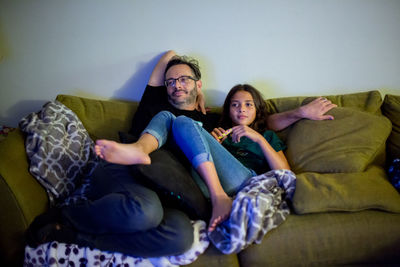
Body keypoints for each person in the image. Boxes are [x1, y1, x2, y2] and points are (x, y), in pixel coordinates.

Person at [26, 50, 337, 256]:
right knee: (156, 217)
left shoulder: (215, 122)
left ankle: (76, 234)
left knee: (177, 236)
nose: (176, 85)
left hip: (176, 184)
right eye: (171, 81)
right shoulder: (155, 101)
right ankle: (132, 154)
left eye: (185, 80)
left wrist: (298, 112)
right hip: (136, 172)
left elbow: (261, 120)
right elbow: (168, 57)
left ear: (197, 84)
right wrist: (191, 90)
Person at [96, 83, 291, 232]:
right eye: (235, 105)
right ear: (228, 109)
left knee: (182, 121)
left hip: (242, 182)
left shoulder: (266, 136)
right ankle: (139, 148)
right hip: (203, 186)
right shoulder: (219, 130)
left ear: (257, 109)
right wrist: (211, 144)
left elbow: (285, 173)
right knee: (167, 116)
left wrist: (257, 138)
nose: (242, 109)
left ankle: (220, 198)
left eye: (249, 105)